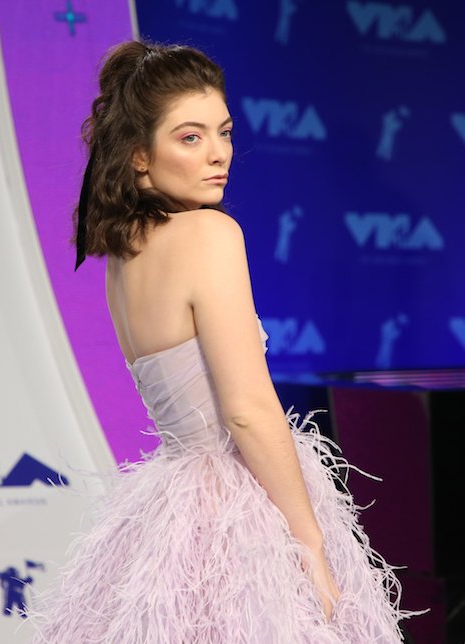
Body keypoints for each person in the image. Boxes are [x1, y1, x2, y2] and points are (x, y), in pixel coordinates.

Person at [30, 40, 412, 642]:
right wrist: (309, 544)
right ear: (139, 156)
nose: (219, 154)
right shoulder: (209, 233)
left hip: (172, 520)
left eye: (224, 132)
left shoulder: (124, 255)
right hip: (240, 513)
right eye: (190, 137)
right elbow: (248, 411)